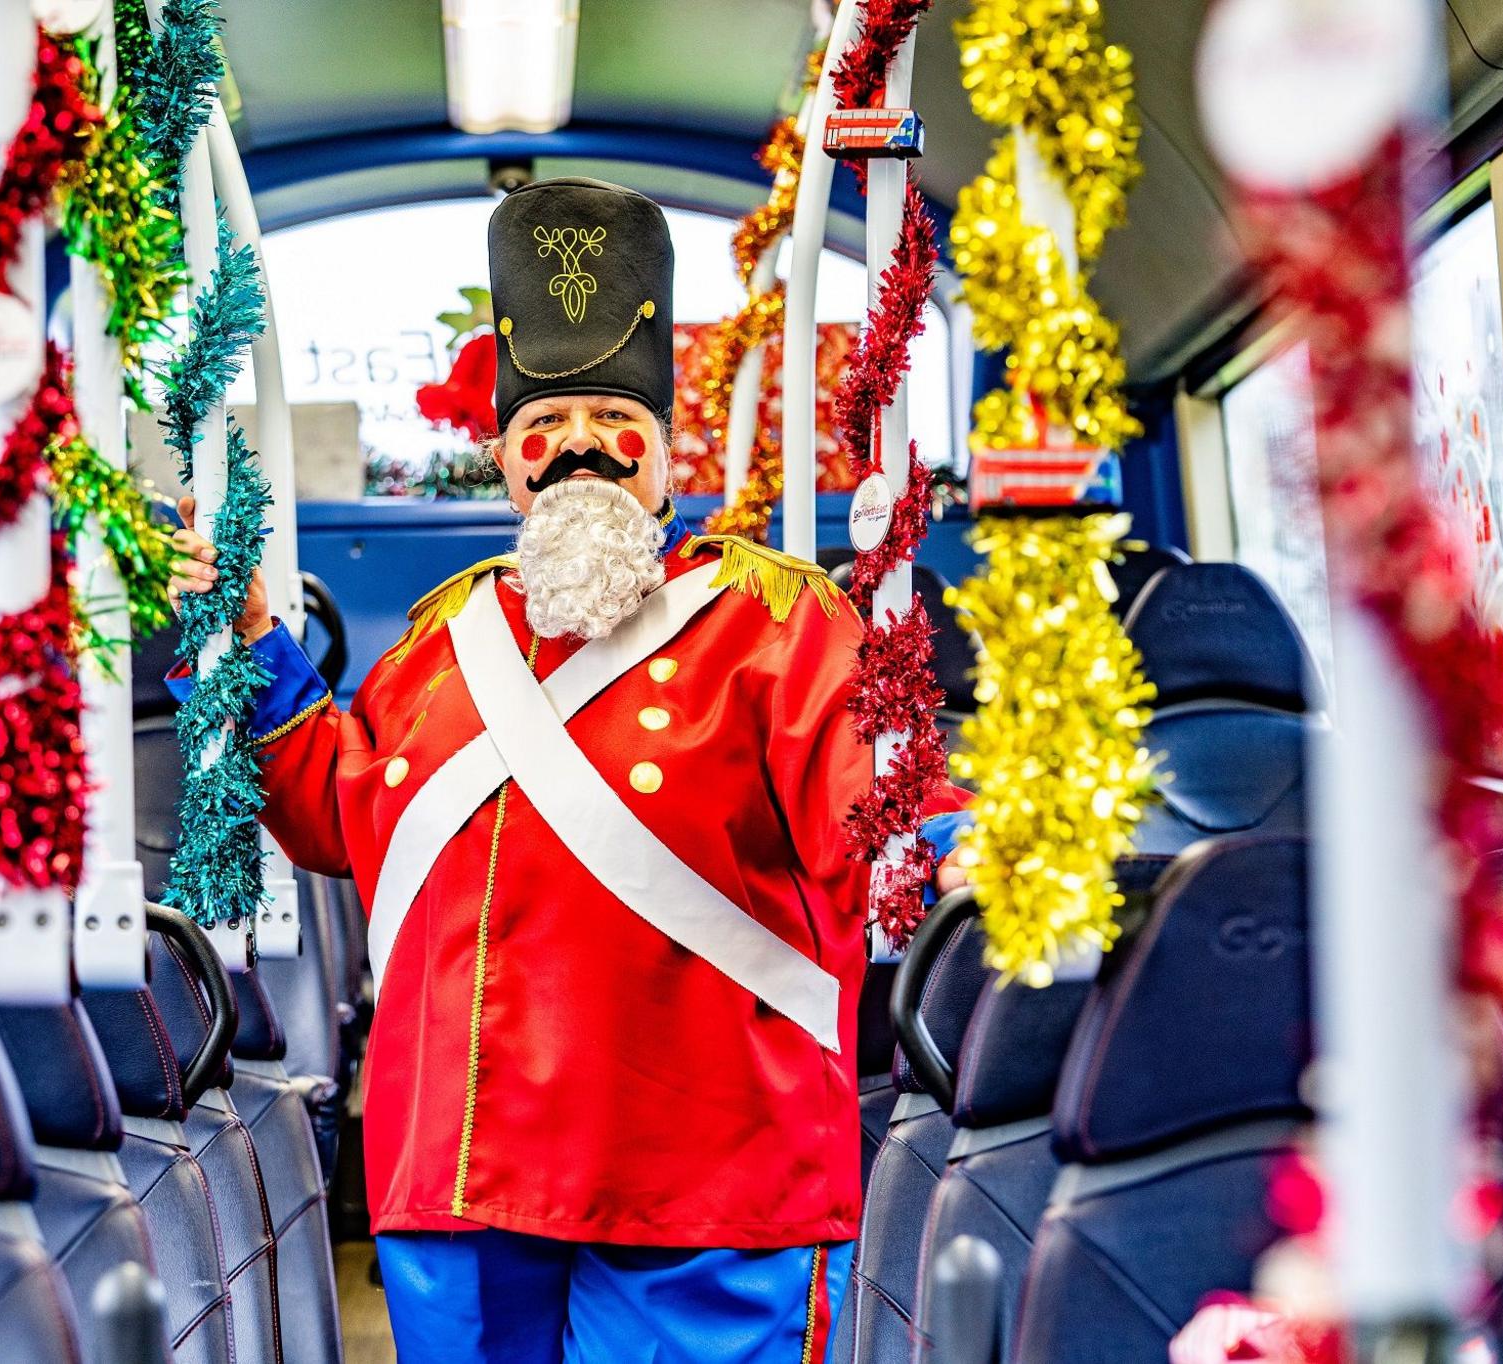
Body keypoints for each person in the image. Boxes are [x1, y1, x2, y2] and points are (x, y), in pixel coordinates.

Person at [170, 176, 966, 1363]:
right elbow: (344, 812)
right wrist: (243, 643)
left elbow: (878, 809)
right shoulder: (440, 644)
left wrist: (971, 855)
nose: (578, 448)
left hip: (707, 1180)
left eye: (613, 421)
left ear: (661, 456)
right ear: (502, 460)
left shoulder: (777, 624)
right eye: (544, 428)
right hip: (457, 1170)